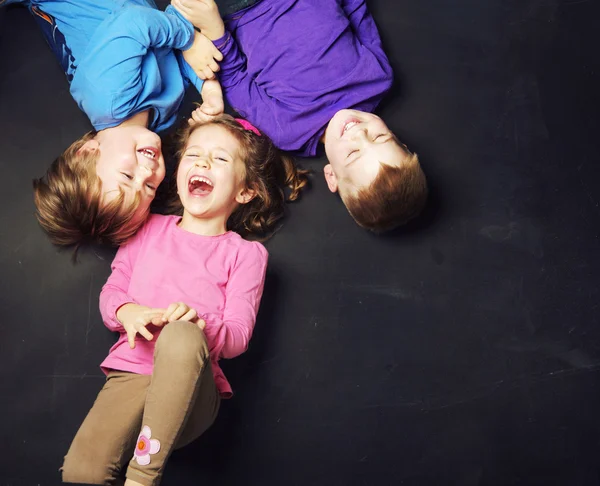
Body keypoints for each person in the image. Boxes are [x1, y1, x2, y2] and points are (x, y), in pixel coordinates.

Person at [60, 115, 307, 485]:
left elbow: (238, 336)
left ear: (245, 191)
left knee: (180, 335)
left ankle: (143, 477)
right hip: (132, 375)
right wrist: (126, 311)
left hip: (193, 391)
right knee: (82, 474)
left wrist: (196, 323)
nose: (203, 163)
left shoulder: (245, 255)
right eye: (194, 155)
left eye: (221, 159)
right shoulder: (145, 230)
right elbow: (113, 292)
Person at [174, 0, 428, 232]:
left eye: (353, 154)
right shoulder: (378, 79)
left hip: (244, 9)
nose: (359, 133)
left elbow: (239, 81)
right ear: (397, 138)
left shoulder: (290, 131)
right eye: (379, 137)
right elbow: (356, 11)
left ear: (332, 176)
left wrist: (216, 31)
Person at [1, 0, 225, 247]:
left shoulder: (107, 96)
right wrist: (208, 87)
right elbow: (173, 57)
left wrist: (190, 40)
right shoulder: (158, 121)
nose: (147, 172)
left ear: (88, 151)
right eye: (149, 187)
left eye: (127, 176)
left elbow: (134, 21)